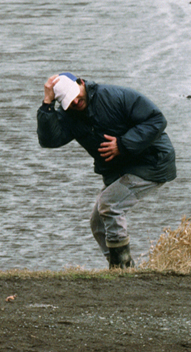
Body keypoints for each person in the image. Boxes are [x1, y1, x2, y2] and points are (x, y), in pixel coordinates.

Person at [37, 72, 177, 269]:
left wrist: (123, 144)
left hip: (152, 161)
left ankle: (122, 269)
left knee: (110, 205)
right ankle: (119, 267)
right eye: (69, 101)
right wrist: (47, 104)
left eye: (76, 95)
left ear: (81, 82)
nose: (76, 101)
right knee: (98, 223)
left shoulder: (114, 96)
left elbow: (156, 120)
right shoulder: (70, 114)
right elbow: (49, 140)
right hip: (122, 169)